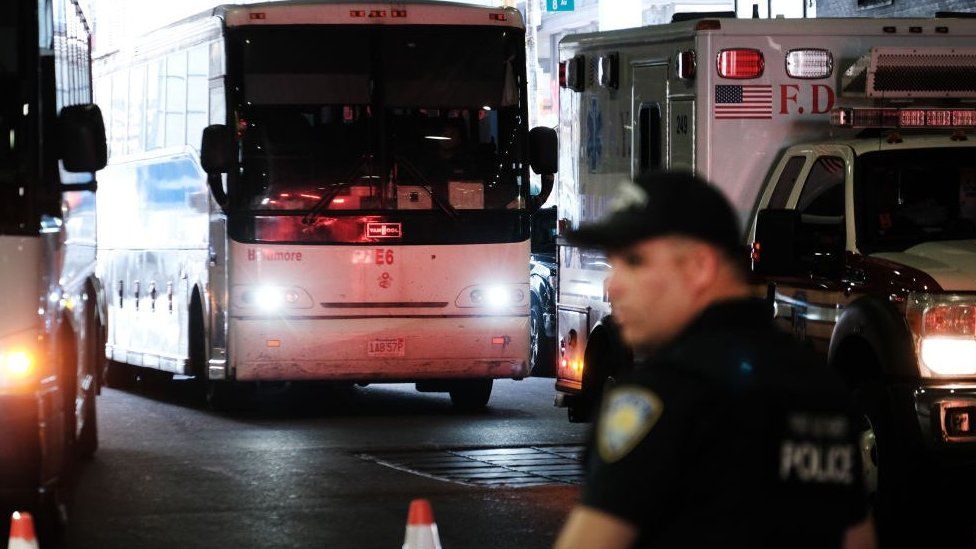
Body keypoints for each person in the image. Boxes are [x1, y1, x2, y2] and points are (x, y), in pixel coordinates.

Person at [553, 171, 876, 549]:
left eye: (635, 260)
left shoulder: (658, 398)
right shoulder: (821, 389)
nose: (614, 284)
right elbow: (857, 538)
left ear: (700, 267)